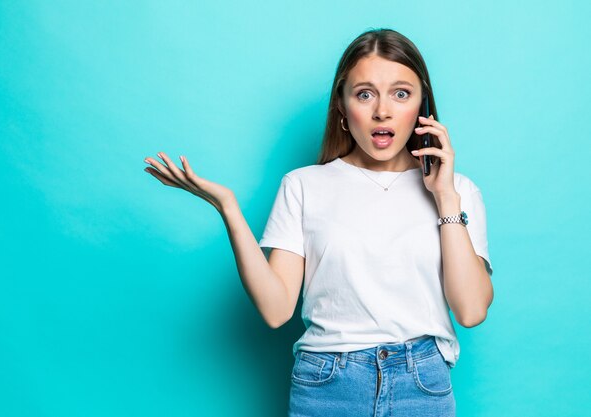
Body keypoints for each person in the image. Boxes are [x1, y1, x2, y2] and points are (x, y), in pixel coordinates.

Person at [143, 27, 493, 417]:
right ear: (342, 107)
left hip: (422, 385)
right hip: (329, 386)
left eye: (401, 93)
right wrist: (228, 208)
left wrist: (444, 196)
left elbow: (472, 310)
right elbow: (276, 310)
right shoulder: (304, 186)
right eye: (364, 94)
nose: (382, 110)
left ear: (421, 106)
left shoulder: (458, 191)